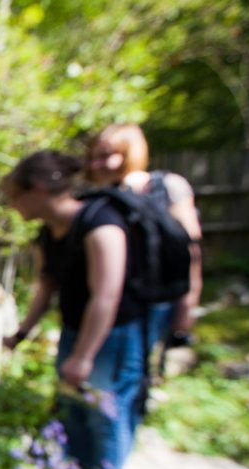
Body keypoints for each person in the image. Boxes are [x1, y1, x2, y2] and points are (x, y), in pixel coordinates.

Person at [2, 150, 144, 469]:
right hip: (74, 331)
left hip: (110, 338)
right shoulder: (50, 234)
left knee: (104, 416)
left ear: (36, 190)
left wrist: (83, 356)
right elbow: (45, 289)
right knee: (73, 413)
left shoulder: (102, 224)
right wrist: (21, 332)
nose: (13, 206)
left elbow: (107, 295)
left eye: (14, 196)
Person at [85, 124, 203, 364]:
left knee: (139, 366)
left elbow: (190, 249)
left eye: (106, 156)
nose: (96, 164)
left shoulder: (168, 187)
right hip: (118, 302)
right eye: (93, 157)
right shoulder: (98, 198)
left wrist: (188, 303)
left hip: (158, 296)